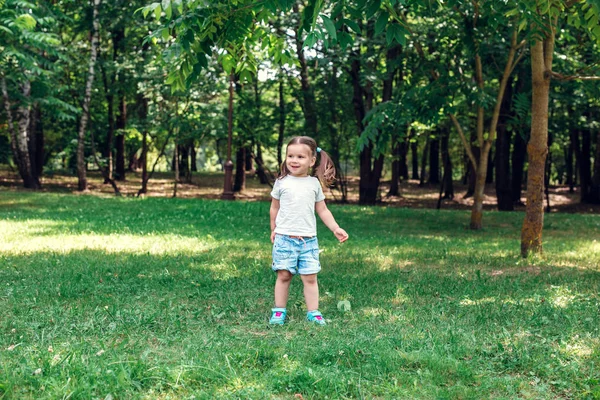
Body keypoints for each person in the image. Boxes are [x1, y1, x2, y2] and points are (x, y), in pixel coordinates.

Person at [269, 136, 349, 326]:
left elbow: (322, 210)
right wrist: (273, 229)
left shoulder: (314, 184)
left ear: (312, 161)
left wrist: (335, 228)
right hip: (285, 237)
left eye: (300, 157)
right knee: (284, 275)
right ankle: (279, 311)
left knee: (310, 277)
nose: (294, 160)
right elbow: (274, 208)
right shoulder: (281, 182)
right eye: (290, 156)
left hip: (308, 241)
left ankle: (313, 312)